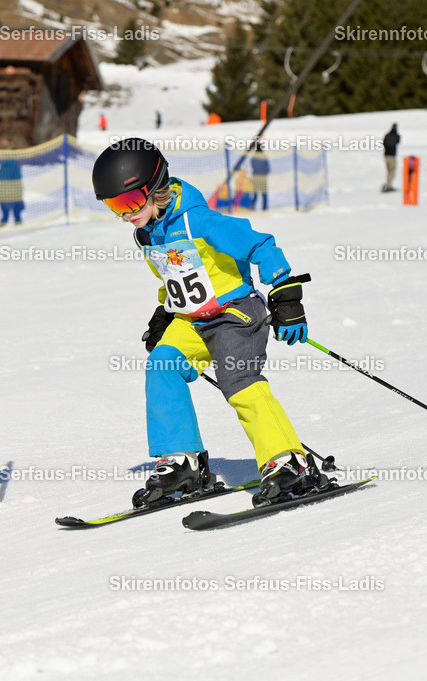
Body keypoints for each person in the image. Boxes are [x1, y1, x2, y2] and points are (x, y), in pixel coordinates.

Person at [91, 138, 335, 509]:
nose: (124, 213)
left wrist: (284, 289)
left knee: (238, 380)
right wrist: (165, 311)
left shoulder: (198, 220)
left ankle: (288, 462)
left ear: (156, 187)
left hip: (235, 315)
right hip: (192, 319)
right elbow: (178, 275)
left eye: (128, 202)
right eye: (113, 206)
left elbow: (259, 243)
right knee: (162, 366)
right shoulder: (147, 233)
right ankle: (182, 463)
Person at [0, 158, 25, 226]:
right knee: (17, 215)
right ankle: (19, 228)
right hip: (15, 196)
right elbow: (19, 184)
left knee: (5, 216)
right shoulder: (16, 169)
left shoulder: (2, 169)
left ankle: (1, 229)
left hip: (4, 197)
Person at [249, 141, 269, 210]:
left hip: (255, 178)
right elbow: (267, 168)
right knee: (264, 195)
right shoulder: (264, 156)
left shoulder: (253, 157)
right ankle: (264, 209)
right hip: (263, 178)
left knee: (255, 195)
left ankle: (252, 208)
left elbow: (252, 166)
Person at [382, 123, 400, 192]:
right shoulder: (396, 135)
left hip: (386, 155)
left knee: (389, 171)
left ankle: (388, 184)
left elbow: (384, 143)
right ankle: (388, 186)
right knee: (392, 171)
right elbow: (397, 141)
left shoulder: (387, 135)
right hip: (391, 156)